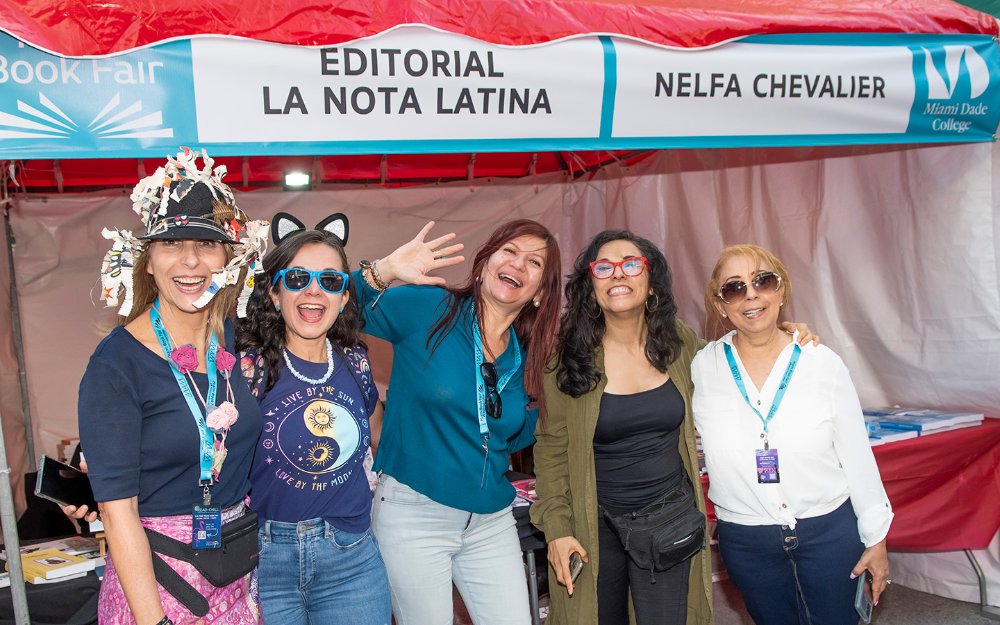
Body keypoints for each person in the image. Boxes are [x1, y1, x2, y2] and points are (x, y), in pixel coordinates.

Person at [531, 231, 816, 625]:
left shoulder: (678, 344)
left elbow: (736, 357)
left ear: (651, 286)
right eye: (603, 267)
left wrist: (782, 333)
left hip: (668, 522)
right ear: (590, 287)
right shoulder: (567, 362)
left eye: (631, 264)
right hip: (592, 525)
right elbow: (550, 451)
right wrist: (558, 528)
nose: (618, 275)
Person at [78, 149, 268, 625]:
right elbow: (117, 513)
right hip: (156, 584)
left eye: (206, 245)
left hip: (236, 578)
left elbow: (314, 297)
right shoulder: (116, 364)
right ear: (146, 261)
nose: (190, 261)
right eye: (171, 244)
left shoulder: (234, 337)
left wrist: (380, 272)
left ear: (228, 257)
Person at [352, 219, 562, 625]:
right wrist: (384, 271)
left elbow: (512, 433)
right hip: (415, 514)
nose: (518, 265)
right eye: (510, 252)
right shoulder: (431, 309)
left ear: (540, 292)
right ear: (484, 264)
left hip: (491, 520)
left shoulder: (527, 356)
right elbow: (329, 304)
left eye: (534, 262)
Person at [691, 244, 892, 625]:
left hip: (828, 531)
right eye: (734, 288)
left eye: (763, 281)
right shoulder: (701, 367)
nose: (751, 294)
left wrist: (876, 539)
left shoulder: (822, 363)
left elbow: (856, 455)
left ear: (781, 290)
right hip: (746, 539)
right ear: (720, 305)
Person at [237, 212, 391, 625]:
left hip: (351, 560)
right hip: (265, 560)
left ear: (343, 298)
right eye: (297, 278)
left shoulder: (355, 362)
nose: (314, 292)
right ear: (273, 293)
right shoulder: (247, 368)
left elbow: (381, 437)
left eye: (330, 281)